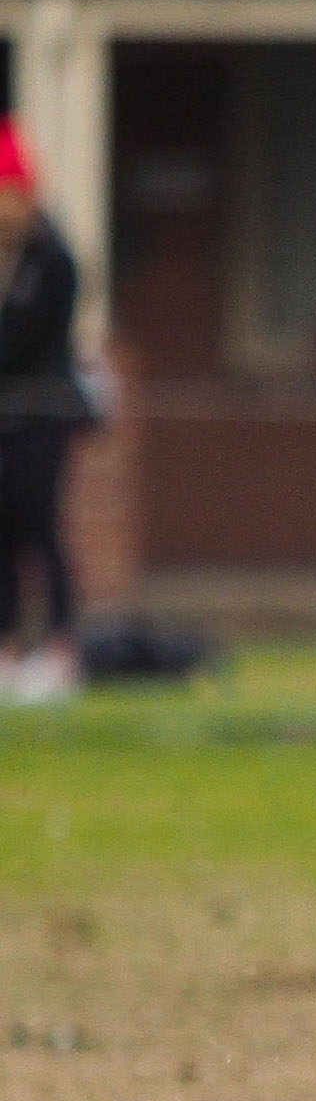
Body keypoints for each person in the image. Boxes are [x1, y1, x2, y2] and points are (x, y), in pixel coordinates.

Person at [0, 119, 88, 704]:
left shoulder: (51, 259)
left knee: (39, 524)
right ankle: (6, 647)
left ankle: (60, 647)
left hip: (40, 415)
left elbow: (25, 338)